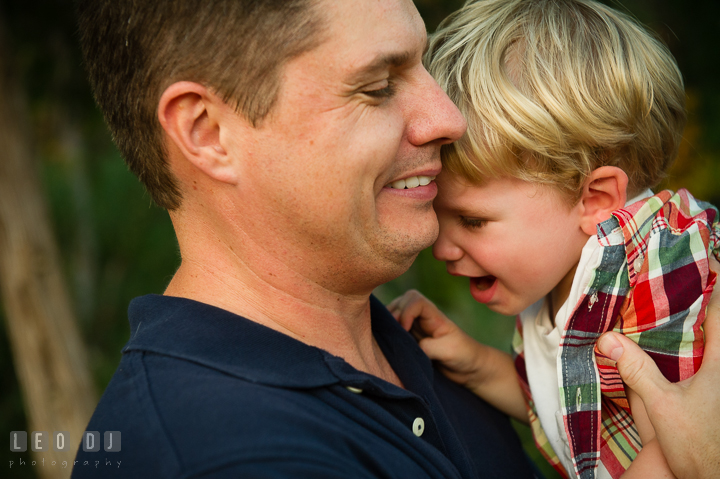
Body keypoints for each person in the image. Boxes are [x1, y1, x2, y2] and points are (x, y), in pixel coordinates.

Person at [73, 0, 720, 478]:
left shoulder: (413, 349)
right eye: (379, 84)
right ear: (209, 131)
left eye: (424, 68)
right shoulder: (230, 457)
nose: (448, 117)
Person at [389, 1, 720, 479]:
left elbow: (680, 443)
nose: (442, 248)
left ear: (595, 199)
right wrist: (478, 364)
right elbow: (573, 410)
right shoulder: (563, 273)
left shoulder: (659, 270)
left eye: (474, 221)